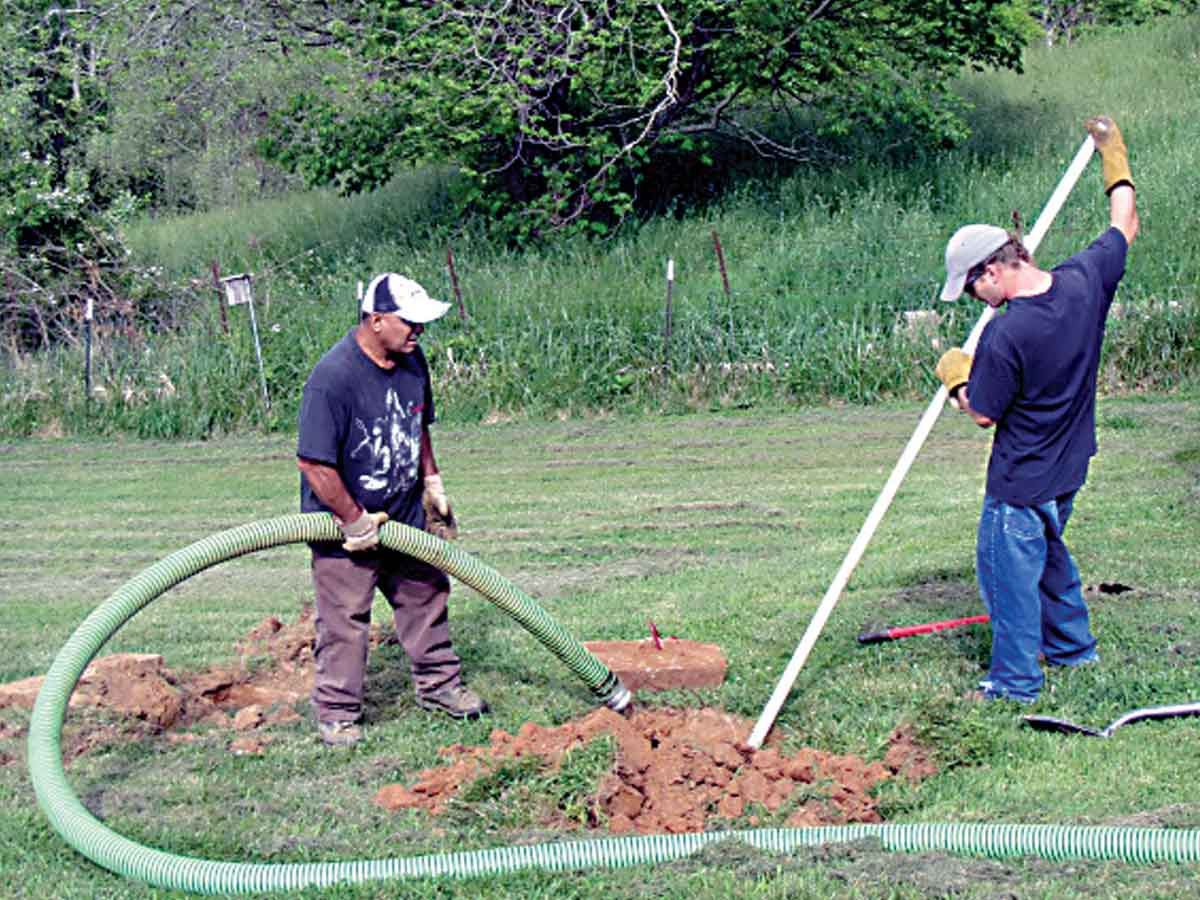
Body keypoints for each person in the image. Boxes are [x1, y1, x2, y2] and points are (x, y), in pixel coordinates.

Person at [933, 115, 1139, 703]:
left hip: (1021, 480)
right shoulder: (1084, 280)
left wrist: (955, 374)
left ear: (993, 271)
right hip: (1071, 466)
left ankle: (1016, 679)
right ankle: (1073, 650)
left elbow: (982, 411)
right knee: (1049, 557)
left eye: (972, 288)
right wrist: (1113, 155)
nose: (974, 299)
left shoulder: (1007, 334)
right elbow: (1125, 222)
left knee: (1008, 577)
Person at [297, 272, 488, 746]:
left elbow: (417, 425)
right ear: (376, 320)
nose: (418, 331)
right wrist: (352, 518)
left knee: (426, 597)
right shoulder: (332, 378)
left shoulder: (411, 361)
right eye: (410, 322)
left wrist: (432, 481)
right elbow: (313, 462)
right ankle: (338, 713)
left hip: (404, 515)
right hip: (344, 526)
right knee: (345, 618)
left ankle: (440, 687)